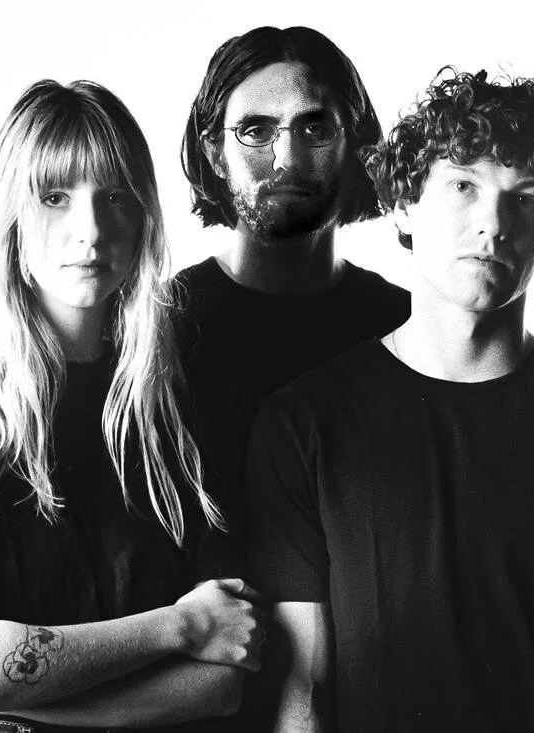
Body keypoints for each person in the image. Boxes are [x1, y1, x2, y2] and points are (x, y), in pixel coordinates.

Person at [247, 69, 534, 732]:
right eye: (463, 186)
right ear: (404, 205)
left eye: (525, 198)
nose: (493, 224)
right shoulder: (304, 424)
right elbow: (301, 694)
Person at [0, 80, 263, 732]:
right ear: (12, 215)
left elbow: (220, 682)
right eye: (55, 197)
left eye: (115, 196)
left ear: (144, 215)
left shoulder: (180, 403)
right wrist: (182, 624)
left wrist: (12, 694)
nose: (90, 230)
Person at [174, 25, 410, 509]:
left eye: (314, 129)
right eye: (255, 131)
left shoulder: (406, 327)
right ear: (215, 152)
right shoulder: (158, 326)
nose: (287, 159)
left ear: (355, 147)